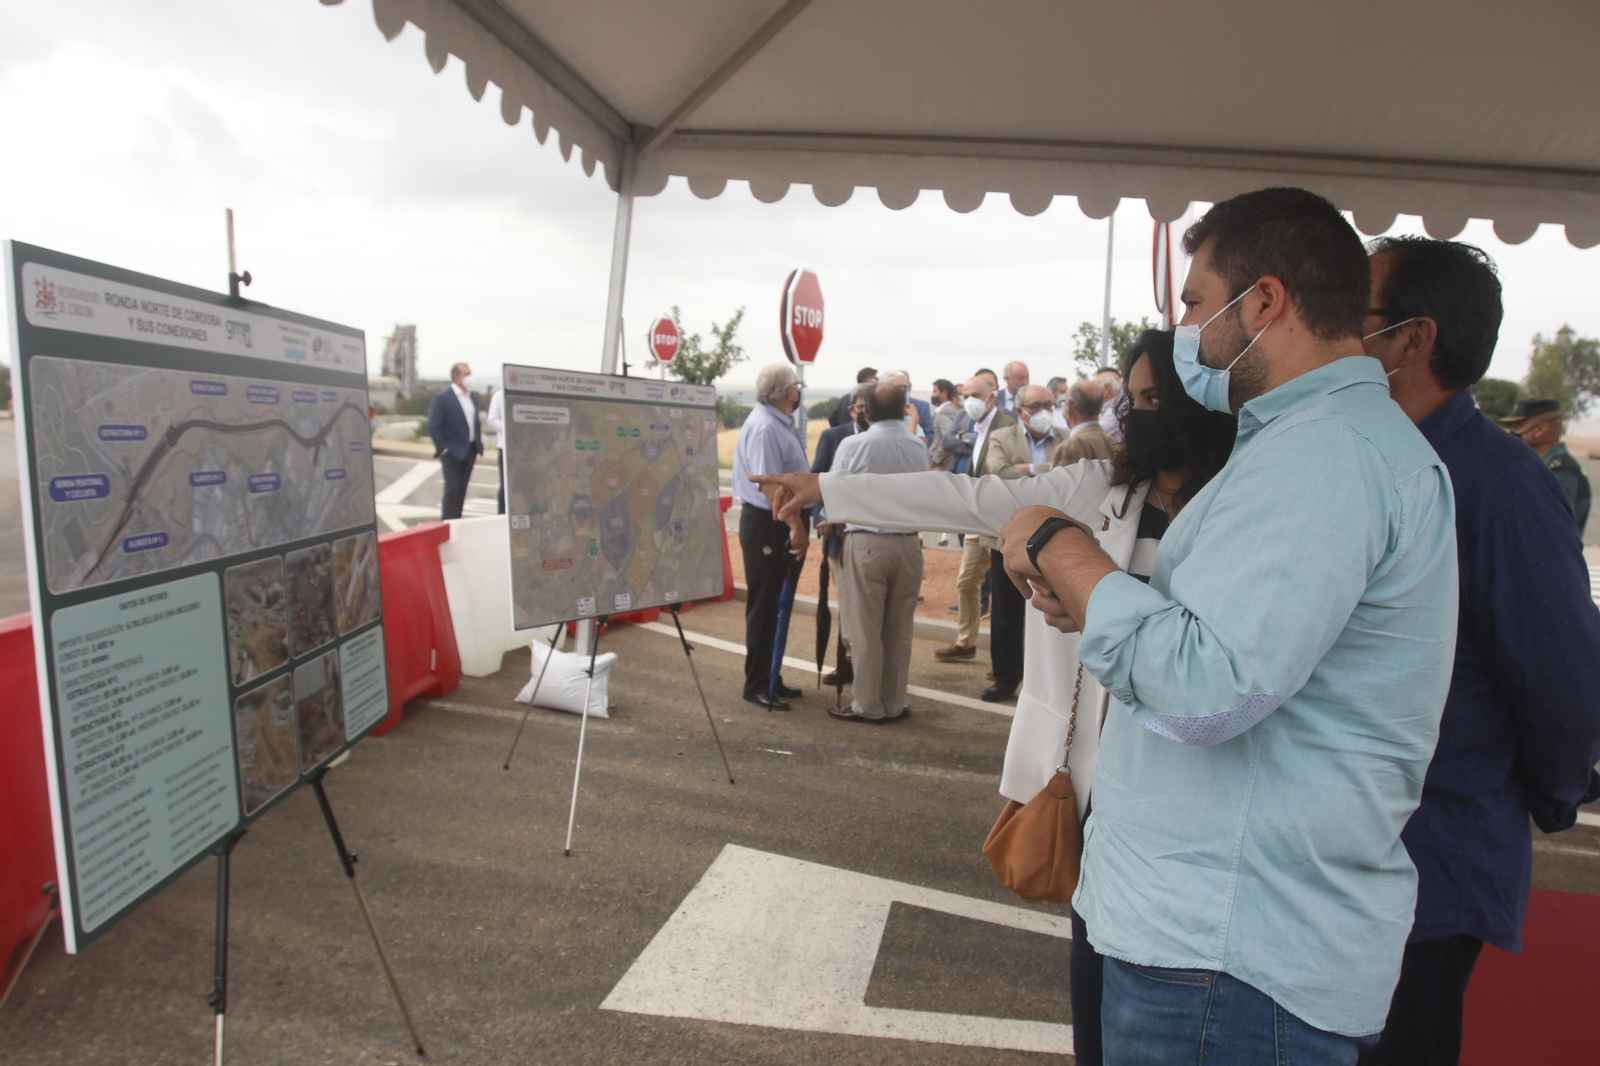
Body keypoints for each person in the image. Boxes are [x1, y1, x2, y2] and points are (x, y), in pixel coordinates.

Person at [996, 187, 1459, 1061]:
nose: (1187, 329)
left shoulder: (1326, 453)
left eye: (1197, 303)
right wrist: (1099, 599)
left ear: (1266, 302)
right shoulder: (1303, 443)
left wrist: (1063, 547)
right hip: (1211, 945)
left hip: (1227, 962)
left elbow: (1209, 684)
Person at [752, 328, 1239, 1065]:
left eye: (1157, 399)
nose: (1139, 415)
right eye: (1132, 401)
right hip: (1090, 794)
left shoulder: (1240, 508)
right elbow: (970, 497)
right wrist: (829, 489)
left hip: (1188, 801)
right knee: (1095, 990)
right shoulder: (1097, 489)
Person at [1357, 236, 1600, 1066]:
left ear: (1414, 340)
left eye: (1359, 316)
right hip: (1346, 858)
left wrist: (1552, 794)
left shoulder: (1497, 485)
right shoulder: (1370, 458)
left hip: (1432, 856)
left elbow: (1564, 681)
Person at [827, 384, 930, 723]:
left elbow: (835, 493)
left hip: (867, 540)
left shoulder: (852, 444)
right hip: (908, 543)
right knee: (899, 628)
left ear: (864, 412)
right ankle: (894, 702)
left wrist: (836, 523)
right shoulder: (917, 445)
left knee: (865, 629)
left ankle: (868, 705)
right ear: (904, 410)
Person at [731, 363, 812, 710]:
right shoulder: (765, 426)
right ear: (786, 391)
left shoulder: (779, 422)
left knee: (778, 603)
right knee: (765, 606)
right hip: (768, 521)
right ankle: (758, 684)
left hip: (776, 518)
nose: (799, 390)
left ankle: (772, 673)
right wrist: (794, 526)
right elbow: (767, 485)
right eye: (796, 385)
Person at [977, 384, 1058, 700]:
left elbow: (1072, 470)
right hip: (1010, 536)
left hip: (1054, 537)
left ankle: (1048, 682)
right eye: (1035, 405)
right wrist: (1046, 473)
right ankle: (1007, 677)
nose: (1042, 411)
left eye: (1048, 404)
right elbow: (997, 470)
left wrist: (1029, 469)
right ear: (1021, 409)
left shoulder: (1065, 437)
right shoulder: (1002, 437)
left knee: (1051, 609)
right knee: (1007, 609)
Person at [934, 375, 1013, 664]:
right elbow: (947, 442)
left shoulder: (1006, 425)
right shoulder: (970, 423)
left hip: (999, 520)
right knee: (967, 581)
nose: (970, 400)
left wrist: (961, 440)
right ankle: (966, 642)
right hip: (975, 519)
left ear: (992, 396)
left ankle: (1006, 661)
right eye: (965, 394)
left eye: (976, 394)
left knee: (1007, 593)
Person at [1501, 398, 1591, 535]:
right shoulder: (1540, 466)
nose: (1512, 432)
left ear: (1541, 430)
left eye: (1518, 425)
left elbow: (1546, 532)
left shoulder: (1561, 474)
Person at [427, 361, 484, 521]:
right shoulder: (442, 398)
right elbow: (433, 426)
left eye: (470, 373)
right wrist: (444, 449)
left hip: (470, 450)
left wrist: (478, 443)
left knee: (462, 491)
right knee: (452, 491)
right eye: (466, 374)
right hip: (452, 452)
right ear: (456, 377)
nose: (470, 377)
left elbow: (474, 422)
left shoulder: (472, 397)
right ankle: (448, 524)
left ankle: (457, 523)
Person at [1050, 380, 1117, 466]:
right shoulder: (1115, 443)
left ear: (1069, 407)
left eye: (1065, 402)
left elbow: (1058, 479)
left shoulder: (1069, 447)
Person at [884, 370, 934, 443]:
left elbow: (922, 442)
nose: (903, 391)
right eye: (899, 387)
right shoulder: (879, 414)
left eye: (905, 387)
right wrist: (915, 418)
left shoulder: (908, 414)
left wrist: (914, 418)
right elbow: (909, 444)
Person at [928, 378, 961, 473]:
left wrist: (935, 460)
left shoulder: (945, 412)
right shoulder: (949, 410)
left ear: (944, 393)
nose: (933, 395)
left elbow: (947, 439)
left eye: (935, 391)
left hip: (941, 466)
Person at [484, 384, 506, 514]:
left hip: (525, 448)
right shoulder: (499, 396)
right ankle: (502, 515)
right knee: (505, 485)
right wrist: (509, 428)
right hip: (505, 446)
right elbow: (492, 420)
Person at [1095, 366, 1125, 441]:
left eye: (1095, 385)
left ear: (1106, 388)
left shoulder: (1116, 410)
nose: (1093, 389)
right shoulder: (1112, 407)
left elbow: (1092, 434)